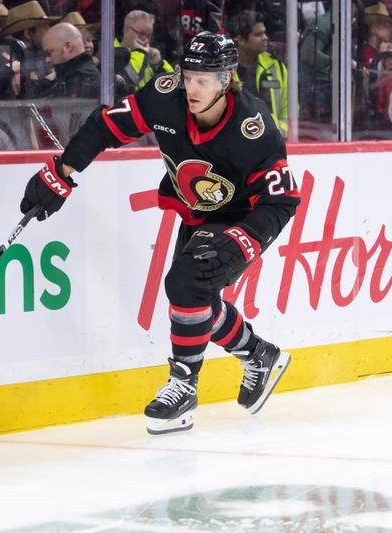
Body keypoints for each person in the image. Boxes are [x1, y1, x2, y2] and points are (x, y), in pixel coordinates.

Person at [19, 32, 298, 435]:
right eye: (188, 76)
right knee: (191, 295)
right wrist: (62, 172)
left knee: (186, 285)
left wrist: (245, 240)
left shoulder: (253, 129)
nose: (191, 87)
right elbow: (104, 127)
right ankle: (258, 353)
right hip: (197, 210)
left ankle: (183, 387)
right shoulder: (165, 96)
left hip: (241, 218)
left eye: (203, 79)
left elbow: (282, 199)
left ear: (227, 79)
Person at [228, 10, 288, 136]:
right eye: (258, 34)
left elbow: (288, 110)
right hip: (235, 146)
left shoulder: (276, 67)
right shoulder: (223, 71)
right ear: (241, 40)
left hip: (271, 144)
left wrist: (278, 133)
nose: (265, 38)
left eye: (264, 33)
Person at [0, 0, 57, 97]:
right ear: (28, 33)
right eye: (45, 28)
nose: (50, 32)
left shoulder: (43, 55)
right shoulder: (11, 61)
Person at [115, 10, 174, 96]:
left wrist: (159, 64)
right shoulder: (111, 52)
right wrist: (141, 53)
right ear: (126, 30)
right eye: (141, 34)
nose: (146, 40)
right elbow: (130, 79)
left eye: (149, 36)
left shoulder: (149, 55)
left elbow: (172, 82)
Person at [40, 22, 99, 98]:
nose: (47, 60)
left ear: (68, 47)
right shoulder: (71, 78)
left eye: (49, 53)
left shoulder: (84, 82)